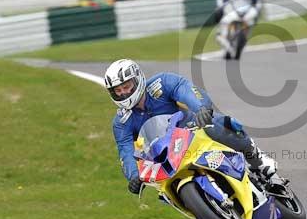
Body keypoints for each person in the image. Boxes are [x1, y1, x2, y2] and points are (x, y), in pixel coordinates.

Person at [104, 59, 281, 195]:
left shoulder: (161, 83)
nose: (123, 93)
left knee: (219, 124)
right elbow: (125, 151)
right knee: (160, 187)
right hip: (165, 154)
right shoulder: (121, 122)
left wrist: (201, 108)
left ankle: (258, 160)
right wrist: (134, 176)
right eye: (118, 91)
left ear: (138, 80)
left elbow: (186, 89)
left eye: (126, 86)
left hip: (190, 130)